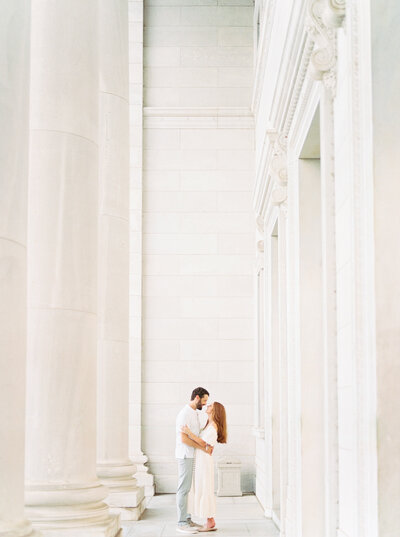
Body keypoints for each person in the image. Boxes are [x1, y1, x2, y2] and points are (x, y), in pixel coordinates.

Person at [183, 401, 227, 533]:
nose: (207, 406)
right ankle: (210, 520)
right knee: (202, 487)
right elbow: (205, 446)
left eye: (210, 406)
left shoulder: (213, 427)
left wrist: (188, 432)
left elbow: (205, 444)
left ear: (215, 411)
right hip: (201, 460)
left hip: (204, 462)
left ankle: (210, 521)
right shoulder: (209, 425)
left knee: (205, 488)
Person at [176, 387, 210, 534]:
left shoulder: (194, 413)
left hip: (191, 455)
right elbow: (184, 438)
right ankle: (181, 522)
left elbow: (195, 434)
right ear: (197, 397)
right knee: (183, 489)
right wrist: (202, 447)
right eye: (204, 400)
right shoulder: (185, 414)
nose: (204, 404)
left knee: (188, 489)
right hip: (185, 455)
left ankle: (187, 519)